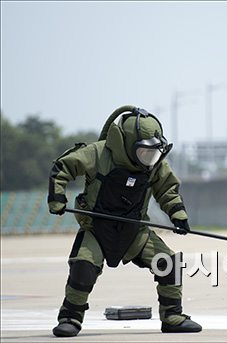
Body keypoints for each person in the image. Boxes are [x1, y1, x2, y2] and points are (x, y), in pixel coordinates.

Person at [48, 105, 202, 337]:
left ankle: (173, 316)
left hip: (135, 230)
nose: (149, 159)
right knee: (83, 267)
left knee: (169, 263)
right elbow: (63, 168)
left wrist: (178, 215)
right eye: (144, 152)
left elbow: (167, 190)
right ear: (127, 144)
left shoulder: (155, 163)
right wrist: (57, 198)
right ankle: (70, 317)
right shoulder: (98, 153)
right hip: (97, 229)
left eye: (153, 153)